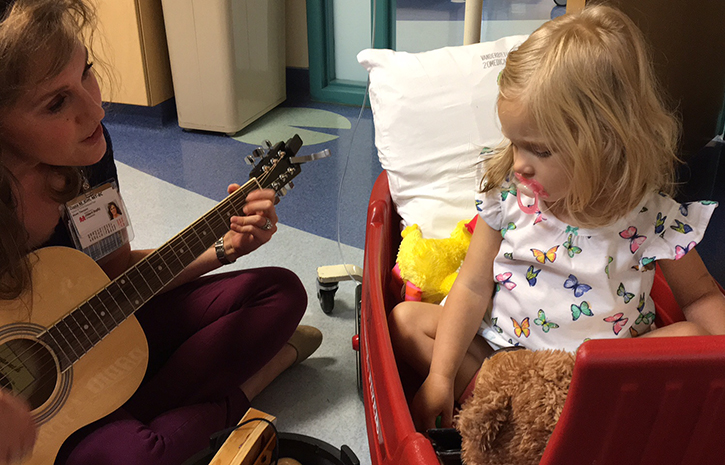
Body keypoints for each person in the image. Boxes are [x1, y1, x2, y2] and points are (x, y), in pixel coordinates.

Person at [0, 0, 322, 464]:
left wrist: (223, 248)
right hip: (38, 419)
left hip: (94, 340)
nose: (96, 111)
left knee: (280, 292)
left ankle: (121, 415)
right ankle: (250, 385)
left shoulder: (88, 152)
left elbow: (116, 276)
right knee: (136, 454)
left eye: (86, 72)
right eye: (56, 103)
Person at [388, 4, 725, 432]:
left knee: (693, 339)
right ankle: (521, 415)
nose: (519, 164)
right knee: (405, 321)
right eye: (514, 143)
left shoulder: (648, 215)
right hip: (504, 359)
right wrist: (439, 376)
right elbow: (472, 286)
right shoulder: (508, 198)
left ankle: (540, 422)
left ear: (607, 143)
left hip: (604, 376)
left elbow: (699, 298)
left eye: (540, 150)